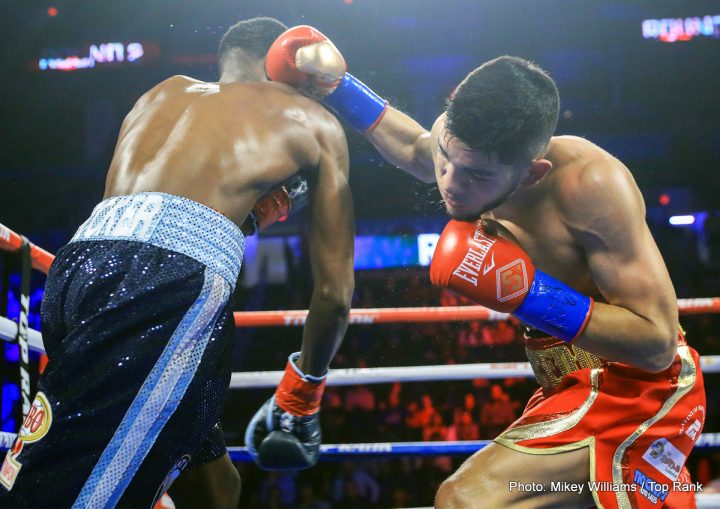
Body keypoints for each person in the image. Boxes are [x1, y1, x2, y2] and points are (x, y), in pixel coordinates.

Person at [266, 26, 706, 508]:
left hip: (641, 391)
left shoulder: (592, 187)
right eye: (448, 160)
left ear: (532, 172)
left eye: (476, 175)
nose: (451, 185)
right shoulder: (459, 144)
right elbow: (415, 146)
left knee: (466, 500)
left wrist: (528, 293)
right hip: (566, 384)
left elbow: (659, 343)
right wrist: (337, 87)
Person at [0, 17, 355, 508]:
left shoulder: (161, 93)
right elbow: (335, 296)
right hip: (163, 290)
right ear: (286, 65)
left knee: (216, 487)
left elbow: (147, 206)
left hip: (77, 269)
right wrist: (303, 393)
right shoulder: (310, 120)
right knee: (65, 488)